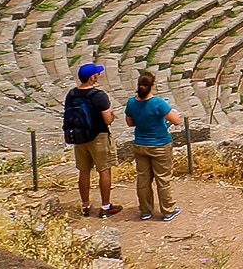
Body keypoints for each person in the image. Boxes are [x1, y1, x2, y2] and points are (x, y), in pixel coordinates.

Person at [63, 63, 121, 217]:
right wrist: (112, 113)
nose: (98, 75)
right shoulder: (99, 96)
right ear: (91, 77)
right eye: (96, 74)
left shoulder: (71, 94)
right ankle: (105, 206)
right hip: (98, 137)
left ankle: (85, 205)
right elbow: (107, 120)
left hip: (79, 137)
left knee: (83, 171)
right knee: (104, 170)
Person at [124, 72, 182, 221]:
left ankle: (145, 211)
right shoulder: (158, 103)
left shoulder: (131, 102)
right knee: (163, 179)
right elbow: (176, 121)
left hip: (140, 144)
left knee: (143, 179)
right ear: (153, 85)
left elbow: (130, 123)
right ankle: (168, 210)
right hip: (160, 145)